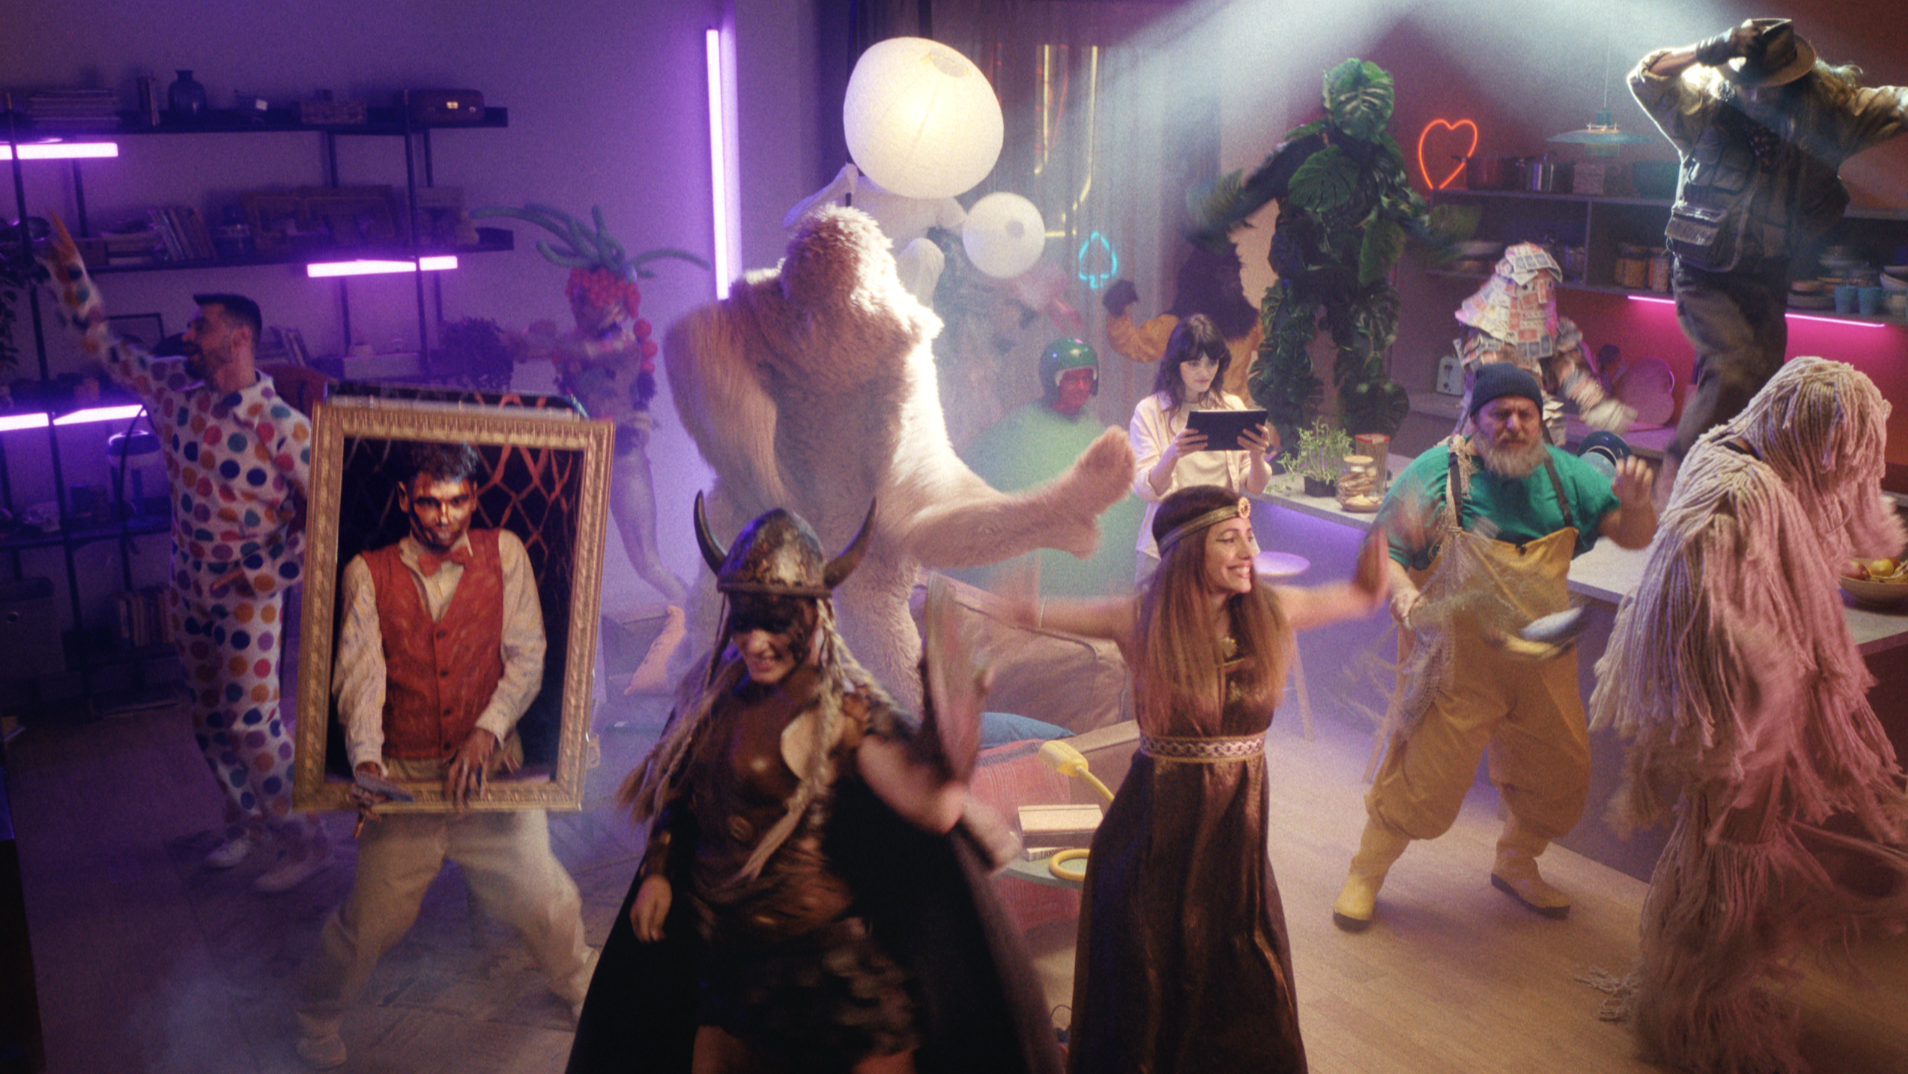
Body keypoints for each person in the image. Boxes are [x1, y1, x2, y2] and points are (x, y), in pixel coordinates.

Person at [567, 499, 1062, 1074]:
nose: (755, 641)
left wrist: (955, 717)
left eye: (775, 621)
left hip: (823, 971)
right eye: (745, 618)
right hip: (729, 967)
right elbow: (681, 791)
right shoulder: (708, 693)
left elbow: (933, 806)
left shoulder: (843, 710)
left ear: (812, 617)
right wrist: (657, 872)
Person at [1588, 357, 1908, 1074]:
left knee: (1712, 857)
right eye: (1837, 446)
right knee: (1728, 863)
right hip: (1732, 711)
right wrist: (1771, 691)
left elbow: (1839, 530)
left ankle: (1684, 998)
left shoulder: (1727, 450)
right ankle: (1699, 1023)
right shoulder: (1744, 491)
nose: (1839, 466)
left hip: (1722, 703)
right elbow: (1718, 603)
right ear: (1805, 430)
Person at [1006, 484, 1386, 1074]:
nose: (1249, 553)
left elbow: (1361, 595)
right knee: (1146, 991)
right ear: (1186, 553)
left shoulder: (1271, 612)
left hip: (1236, 851)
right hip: (1151, 845)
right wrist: (1026, 570)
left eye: (1250, 537)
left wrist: (1382, 546)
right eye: (1229, 540)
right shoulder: (1139, 618)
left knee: (1244, 983)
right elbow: (1030, 614)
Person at [41, 221, 327, 892]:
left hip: (250, 592)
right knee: (206, 719)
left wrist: (271, 572)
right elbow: (102, 345)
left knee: (253, 722)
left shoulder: (283, 425)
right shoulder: (174, 392)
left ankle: (305, 839)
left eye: (203, 326)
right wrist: (69, 271)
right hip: (187, 584)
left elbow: (333, 511)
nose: (189, 334)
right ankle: (247, 822)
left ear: (240, 338)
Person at [295, 442, 593, 1070]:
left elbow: (528, 658)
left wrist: (487, 731)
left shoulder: (505, 553)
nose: (444, 517)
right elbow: (360, 679)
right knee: (370, 922)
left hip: (491, 775)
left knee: (546, 897)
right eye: (430, 502)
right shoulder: (366, 571)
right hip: (407, 780)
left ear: (474, 497)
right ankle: (315, 1016)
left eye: (458, 502)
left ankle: (580, 984)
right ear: (406, 498)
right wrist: (367, 763)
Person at [1333, 363, 1655, 930]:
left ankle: (1516, 862)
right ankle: (1366, 872)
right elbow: (1381, 551)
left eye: (1525, 413)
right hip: (1459, 666)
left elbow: (1634, 536)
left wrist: (1636, 506)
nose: (1513, 424)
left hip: (1542, 666)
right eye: (1499, 413)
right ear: (1475, 420)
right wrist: (1403, 593)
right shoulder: (1438, 474)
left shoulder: (1567, 477)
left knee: (1559, 777)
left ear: (1540, 419)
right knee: (1422, 787)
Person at [1630, 18, 1908, 501]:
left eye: (1769, 87)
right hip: (1703, 275)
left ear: (1795, 82)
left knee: (1761, 390)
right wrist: (1711, 48)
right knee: (1735, 366)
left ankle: (1732, 494)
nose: (1756, 96)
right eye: (1748, 85)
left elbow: (1896, 104)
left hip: (1765, 276)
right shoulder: (1706, 108)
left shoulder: (1830, 115)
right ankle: (1675, 480)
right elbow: (1647, 78)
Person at [956, 338, 1145, 596]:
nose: (1081, 387)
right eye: (1072, 380)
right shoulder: (1016, 435)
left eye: (1086, 379)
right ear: (1053, 381)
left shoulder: (1099, 437)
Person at [1129, 314, 1273, 581]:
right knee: (1164, 609)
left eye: (1211, 362)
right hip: (1170, 544)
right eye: (1194, 363)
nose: (1204, 373)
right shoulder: (1149, 411)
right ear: (1176, 364)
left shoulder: (1231, 406)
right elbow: (1145, 489)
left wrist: (1256, 453)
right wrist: (1173, 453)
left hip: (1226, 540)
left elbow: (1255, 486)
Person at [1450, 243, 1633, 445]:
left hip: (1533, 439)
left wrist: (1596, 403)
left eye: (1547, 286)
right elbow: (1504, 388)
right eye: (1531, 286)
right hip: (1490, 436)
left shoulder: (1548, 333)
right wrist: (1540, 409)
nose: (1542, 296)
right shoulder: (1487, 337)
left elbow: (1564, 368)